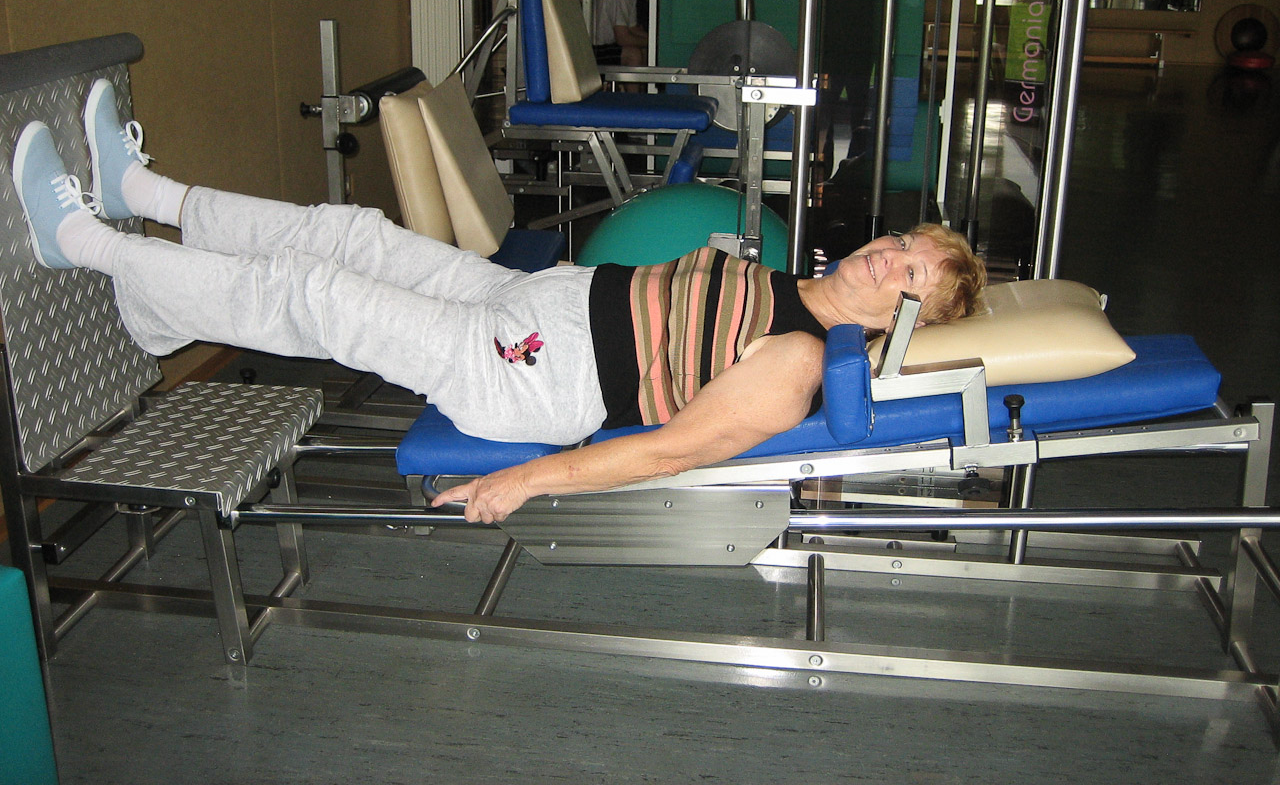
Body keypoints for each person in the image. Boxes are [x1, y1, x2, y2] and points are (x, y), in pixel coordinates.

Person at [12, 79, 985, 524]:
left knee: (316, 295)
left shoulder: (800, 356)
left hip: (531, 376)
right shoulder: (783, 276)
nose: (888, 258)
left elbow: (671, 451)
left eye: (909, 278)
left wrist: (529, 479)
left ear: (899, 321)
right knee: (351, 235)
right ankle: (150, 197)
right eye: (903, 245)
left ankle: (89, 246)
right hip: (535, 299)